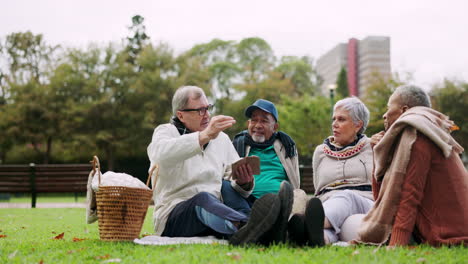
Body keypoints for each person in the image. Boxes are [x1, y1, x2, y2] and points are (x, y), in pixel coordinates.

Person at [147, 86, 286, 245]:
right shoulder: (165, 132)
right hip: (173, 217)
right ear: (181, 115)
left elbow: (234, 180)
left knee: (227, 187)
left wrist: (244, 182)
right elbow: (159, 155)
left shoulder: (221, 139)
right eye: (200, 110)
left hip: (215, 214)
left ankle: (256, 228)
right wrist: (205, 136)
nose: (207, 115)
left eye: (208, 108)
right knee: (203, 198)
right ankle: (258, 226)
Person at [355, 85, 468, 246]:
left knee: (358, 228)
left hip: (446, 232)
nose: (384, 115)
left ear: (404, 110)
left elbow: (409, 194)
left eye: (388, 108)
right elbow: (381, 199)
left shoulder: (416, 133)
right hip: (447, 226)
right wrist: (377, 156)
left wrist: (396, 244)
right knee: (360, 226)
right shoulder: (427, 129)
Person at [288, 97, 374, 246]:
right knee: (329, 228)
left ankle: (308, 223)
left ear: (358, 125)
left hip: (365, 202)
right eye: (334, 119)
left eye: (341, 119)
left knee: (346, 196)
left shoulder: (373, 146)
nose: (334, 124)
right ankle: (319, 239)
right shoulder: (320, 152)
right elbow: (319, 188)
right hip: (331, 205)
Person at [223, 99, 298, 244]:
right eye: (253, 120)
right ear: (248, 124)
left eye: (264, 121)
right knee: (225, 186)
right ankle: (263, 226)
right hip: (246, 203)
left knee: (287, 198)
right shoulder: (237, 144)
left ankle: (273, 224)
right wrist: (241, 183)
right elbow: (228, 177)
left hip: (281, 202)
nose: (257, 125)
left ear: (275, 126)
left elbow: (294, 180)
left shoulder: (286, 146)